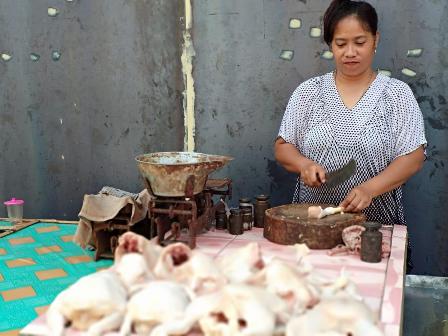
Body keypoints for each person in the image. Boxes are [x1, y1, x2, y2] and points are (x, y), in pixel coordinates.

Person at [274, 0, 426, 225]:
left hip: (376, 228)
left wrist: (369, 189)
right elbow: (283, 146)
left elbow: (413, 156)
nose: (350, 52)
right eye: (341, 43)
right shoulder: (308, 92)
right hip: (312, 227)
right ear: (331, 45)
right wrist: (303, 165)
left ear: (376, 39)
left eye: (360, 42)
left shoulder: (396, 94)